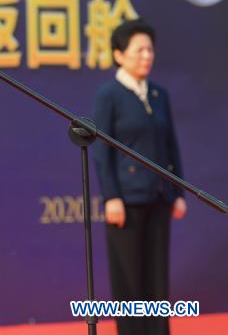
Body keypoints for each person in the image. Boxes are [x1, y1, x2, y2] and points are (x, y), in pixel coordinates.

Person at [92, 18, 186, 335]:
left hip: (159, 198)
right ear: (119, 55)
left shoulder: (159, 95)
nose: (147, 55)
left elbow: (170, 145)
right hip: (127, 202)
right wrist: (112, 197)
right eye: (139, 50)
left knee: (157, 276)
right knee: (129, 278)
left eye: (150, 49)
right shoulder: (109, 95)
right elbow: (102, 151)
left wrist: (178, 192)